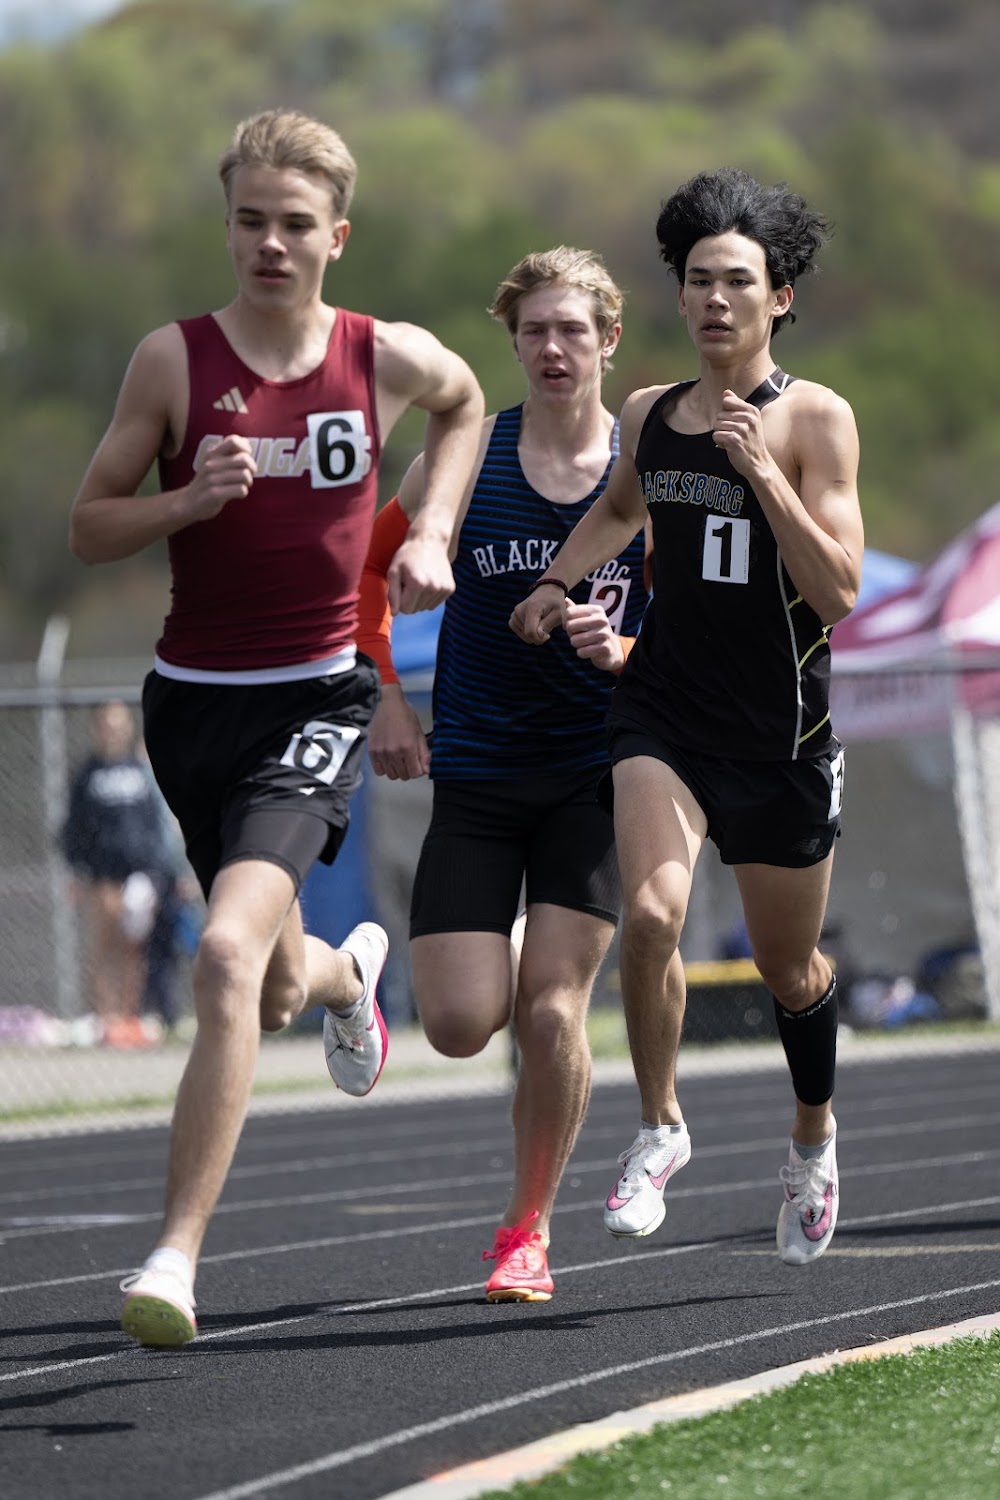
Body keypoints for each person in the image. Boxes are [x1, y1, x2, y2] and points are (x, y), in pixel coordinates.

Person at [68, 108, 484, 1347]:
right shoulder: (172, 363)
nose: (269, 244)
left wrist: (433, 529)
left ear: (336, 237)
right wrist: (183, 501)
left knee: (221, 956)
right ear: (228, 226)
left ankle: (173, 1259)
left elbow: (466, 403)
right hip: (192, 703)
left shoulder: (382, 356)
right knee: (272, 976)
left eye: (294, 224)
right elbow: (88, 524)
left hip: (317, 695)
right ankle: (350, 975)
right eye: (249, 220)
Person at [511, 169, 863, 1267]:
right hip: (662, 710)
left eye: (738, 282)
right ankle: (661, 1125)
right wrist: (559, 583)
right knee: (653, 916)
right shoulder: (648, 415)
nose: (715, 299)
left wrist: (763, 474)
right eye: (699, 280)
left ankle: (812, 1137)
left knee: (788, 970)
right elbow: (622, 506)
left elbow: (839, 591)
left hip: (780, 739)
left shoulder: (815, 418)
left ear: (779, 299)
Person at [358, 247, 651, 1301]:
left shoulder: (646, 473)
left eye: (573, 330)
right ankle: (485, 953)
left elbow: (697, 638)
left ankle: (527, 1231)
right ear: (513, 341)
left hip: (594, 775)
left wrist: (623, 652)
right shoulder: (464, 459)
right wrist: (387, 696)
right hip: (478, 772)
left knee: (553, 1014)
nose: (553, 348)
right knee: (455, 1026)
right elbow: (363, 573)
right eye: (534, 331)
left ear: (609, 339)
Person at [60, 699, 176, 1048]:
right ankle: (105, 1017)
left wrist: (160, 868)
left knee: (133, 946)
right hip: (102, 872)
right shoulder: (88, 773)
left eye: (119, 723)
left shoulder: (140, 771)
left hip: (139, 872)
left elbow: (156, 823)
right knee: (104, 941)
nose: (113, 730)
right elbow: (74, 826)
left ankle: (129, 1017)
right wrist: (79, 869)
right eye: (107, 724)